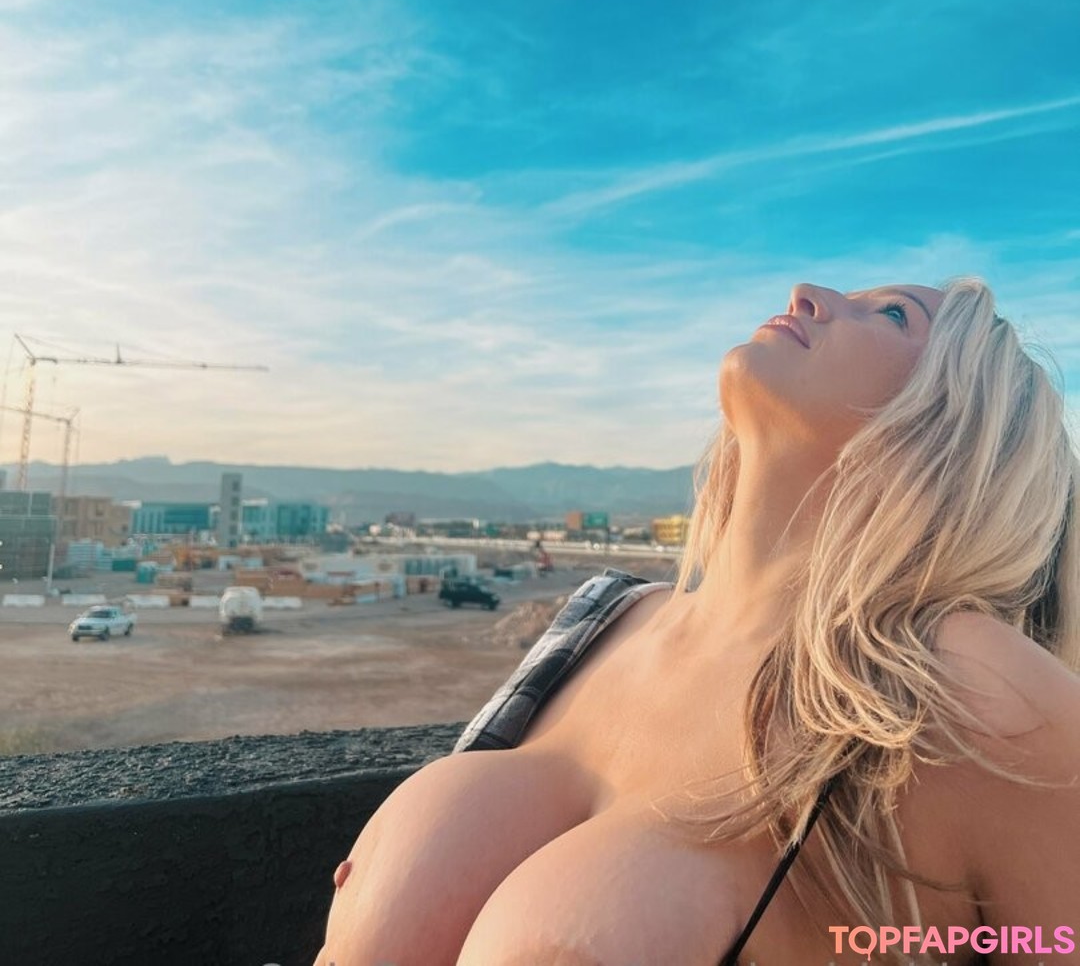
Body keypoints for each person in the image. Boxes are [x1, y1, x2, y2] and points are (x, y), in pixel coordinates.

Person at [312, 277, 1079, 965]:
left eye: (893, 313)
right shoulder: (600, 617)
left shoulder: (972, 691)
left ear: (961, 426)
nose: (808, 292)